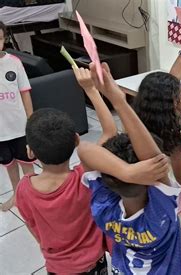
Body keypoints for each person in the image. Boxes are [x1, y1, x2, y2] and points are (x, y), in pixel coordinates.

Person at [79, 62, 181, 275]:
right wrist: (117, 99)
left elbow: (85, 150)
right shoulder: (161, 216)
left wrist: (126, 172)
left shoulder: (104, 211)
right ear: (153, 180)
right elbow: (156, 160)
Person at [15, 67, 121, 274]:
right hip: (94, 262)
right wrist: (90, 90)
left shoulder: (23, 190)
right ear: (77, 140)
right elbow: (110, 131)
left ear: (30, 151)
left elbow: (34, 229)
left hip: (57, 267)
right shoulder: (85, 178)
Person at [132, 26, 181, 223]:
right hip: (172, 190)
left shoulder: (143, 123)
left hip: (151, 189)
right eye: (178, 97)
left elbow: (171, 80)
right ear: (167, 104)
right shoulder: (172, 139)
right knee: (172, 221)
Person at [0, 20, 35, 211]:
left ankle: (31, 197)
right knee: (9, 165)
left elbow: (25, 93)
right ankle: (16, 195)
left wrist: (31, 122)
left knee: (28, 166)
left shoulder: (14, 63)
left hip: (20, 127)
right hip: (1, 132)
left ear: (4, 39)